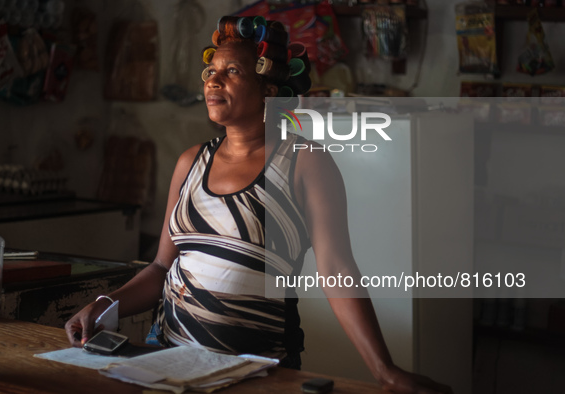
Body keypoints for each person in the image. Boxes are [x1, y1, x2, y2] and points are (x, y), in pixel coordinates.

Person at [65, 16, 452, 394]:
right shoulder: (190, 162)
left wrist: (383, 369)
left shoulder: (304, 162)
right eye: (211, 70)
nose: (213, 80)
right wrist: (102, 305)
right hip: (168, 362)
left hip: (255, 372)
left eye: (232, 70)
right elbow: (162, 267)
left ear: (268, 88)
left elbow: (336, 270)